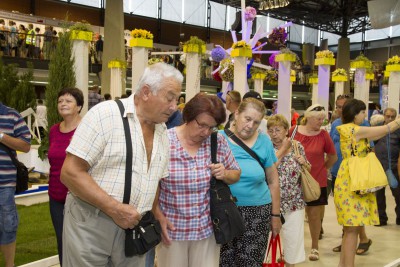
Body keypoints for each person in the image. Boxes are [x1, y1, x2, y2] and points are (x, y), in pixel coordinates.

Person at [60, 62, 183, 266]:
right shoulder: (105, 115)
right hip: (92, 223)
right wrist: (115, 208)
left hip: (135, 229)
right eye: (169, 98)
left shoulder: (162, 132)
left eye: (176, 99)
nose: (174, 106)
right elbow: (70, 172)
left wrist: (155, 212)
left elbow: (153, 179)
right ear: (145, 92)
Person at [154, 93, 241, 267]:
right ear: (188, 117)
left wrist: (224, 173)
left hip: (207, 229)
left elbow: (236, 173)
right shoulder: (164, 140)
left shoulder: (218, 141)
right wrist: (157, 214)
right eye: (202, 125)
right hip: (172, 229)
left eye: (212, 127)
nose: (206, 132)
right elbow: (152, 183)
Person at [334, 99, 400, 267]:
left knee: (351, 229)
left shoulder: (354, 130)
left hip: (352, 180)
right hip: (353, 182)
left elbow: (380, 133)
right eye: (363, 112)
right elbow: (387, 128)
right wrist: (397, 120)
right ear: (355, 114)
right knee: (352, 230)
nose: (365, 115)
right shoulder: (353, 130)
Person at [219, 98, 280, 267]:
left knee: (251, 262)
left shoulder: (264, 142)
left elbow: (273, 181)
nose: (251, 125)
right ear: (237, 114)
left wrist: (275, 216)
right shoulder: (219, 138)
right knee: (224, 261)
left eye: (256, 122)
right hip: (224, 211)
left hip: (258, 211)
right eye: (247, 119)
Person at [289, 104, 337, 261]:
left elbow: (332, 156)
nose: (321, 122)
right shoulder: (293, 131)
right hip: (294, 181)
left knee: (314, 216)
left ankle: (315, 246)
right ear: (308, 117)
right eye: (318, 119)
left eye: (323, 119)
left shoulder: (323, 135)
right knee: (292, 216)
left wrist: (322, 168)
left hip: (316, 181)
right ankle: (292, 247)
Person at [330, 95, 372, 255]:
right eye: (338, 106)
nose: (340, 110)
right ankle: (348, 240)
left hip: (356, 175)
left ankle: (361, 239)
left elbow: (370, 146)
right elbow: (332, 146)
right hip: (339, 172)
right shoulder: (335, 124)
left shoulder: (363, 124)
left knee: (354, 213)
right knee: (346, 211)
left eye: (343, 107)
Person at [48, 88, 83, 265]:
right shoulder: (54, 130)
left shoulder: (85, 129)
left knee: (80, 243)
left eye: (68, 101)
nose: (63, 104)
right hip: (55, 195)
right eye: (60, 101)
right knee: (62, 240)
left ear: (79, 106)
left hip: (79, 196)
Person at [268, 114, 308, 267]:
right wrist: (283, 151)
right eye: (270, 130)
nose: (274, 134)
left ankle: (290, 264)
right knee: (268, 240)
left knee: (293, 239)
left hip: (294, 200)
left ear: (286, 130)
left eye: (277, 130)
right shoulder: (266, 147)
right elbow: (268, 170)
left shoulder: (297, 146)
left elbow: (307, 169)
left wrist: (304, 163)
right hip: (271, 202)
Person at [0, 102, 31, 267]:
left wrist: (1, 136)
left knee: (8, 226)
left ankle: (9, 264)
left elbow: (26, 145)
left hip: (5, 183)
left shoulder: (11, 115)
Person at [374, 107, 400, 226]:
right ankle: (381, 218)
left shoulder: (398, 130)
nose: (389, 119)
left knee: (398, 193)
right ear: (384, 116)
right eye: (387, 116)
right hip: (378, 166)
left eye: (392, 117)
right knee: (379, 195)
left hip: (393, 167)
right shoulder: (377, 128)